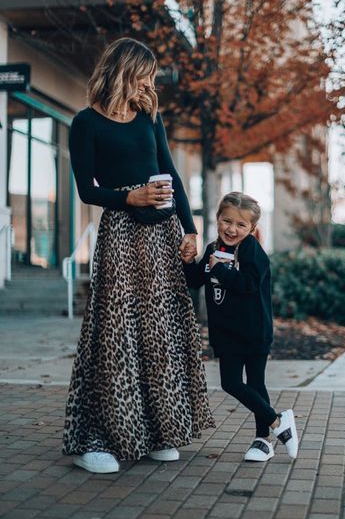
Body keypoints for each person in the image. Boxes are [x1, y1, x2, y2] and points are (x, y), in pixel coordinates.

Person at [63, 37, 215, 473]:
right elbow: (86, 189)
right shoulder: (86, 123)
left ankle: (153, 431)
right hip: (121, 235)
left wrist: (190, 228)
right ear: (124, 71)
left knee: (161, 334)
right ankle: (98, 439)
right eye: (145, 74)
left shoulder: (151, 117)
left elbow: (171, 175)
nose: (150, 84)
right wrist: (131, 198)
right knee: (116, 334)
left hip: (163, 234)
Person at [183, 192, 298, 462]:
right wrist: (188, 262)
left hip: (255, 330)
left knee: (256, 383)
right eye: (227, 221)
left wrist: (220, 270)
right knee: (231, 383)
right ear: (217, 219)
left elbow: (248, 284)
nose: (232, 229)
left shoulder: (252, 251)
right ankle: (279, 421)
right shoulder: (212, 249)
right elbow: (196, 280)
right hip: (226, 332)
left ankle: (263, 441)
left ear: (252, 229)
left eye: (241, 225)